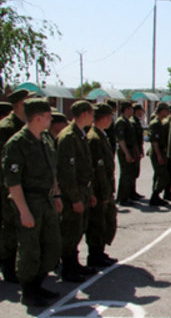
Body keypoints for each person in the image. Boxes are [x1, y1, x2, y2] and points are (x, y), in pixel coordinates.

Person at [2, 98, 63, 307]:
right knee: (30, 249)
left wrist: (56, 195)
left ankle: (38, 284)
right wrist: (23, 211)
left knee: (51, 246)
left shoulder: (45, 139)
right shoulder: (17, 143)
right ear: (38, 117)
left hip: (46, 201)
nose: (50, 119)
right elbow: (13, 182)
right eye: (47, 116)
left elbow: (52, 170)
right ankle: (29, 291)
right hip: (29, 202)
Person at [57, 100, 97, 282]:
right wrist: (74, 199)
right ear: (83, 114)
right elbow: (66, 173)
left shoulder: (80, 134)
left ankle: (75, 265)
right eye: (91, 113)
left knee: (77, 230)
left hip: (83, 190)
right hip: (73, 193)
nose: (93, 116)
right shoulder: (68, 137)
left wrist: (90, 193)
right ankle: (68, 268)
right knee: (70, 231)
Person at [0, 89, 31, 283]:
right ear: (19, 104)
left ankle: (19, 264)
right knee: (9, 227)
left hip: (24, 183)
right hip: (7, 186)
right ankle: (8, 267)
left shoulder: (25, 126)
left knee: (21, 226)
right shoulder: (6, 127)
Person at [86, 103, 118, 267]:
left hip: (104, 188)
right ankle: (95, 255)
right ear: (105, 118)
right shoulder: (94, 138)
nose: (112, 120)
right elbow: (95, 170)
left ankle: (100, 252)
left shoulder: (100, 135)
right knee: (97, 223)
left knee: (105, 221)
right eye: (111, 117)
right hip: (99, 189)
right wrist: (103, 192)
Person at [114, 101, 137, 206]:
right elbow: (121, 139)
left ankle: (127, 196)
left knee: (130, 174)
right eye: (131, 109)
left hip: (130, 149)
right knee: (125, 174)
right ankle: (122, 198)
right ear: (127, 109)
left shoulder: (127, 121)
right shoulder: (121, 122)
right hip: (125, 150)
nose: (132, 111)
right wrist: (127, 153)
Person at [148, 103, 170, 207]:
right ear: (162, 111)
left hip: (161, 151)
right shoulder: (155, 123)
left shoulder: (161, 122)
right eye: (166, 110)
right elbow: (155, 142)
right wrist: (159, 155)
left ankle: (156, 196)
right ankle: (154, 196)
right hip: (157, 152)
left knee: (159, 175)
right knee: (163, 175)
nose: (167, 112)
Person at [129, 104, 145, 200]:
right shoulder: (132, 122)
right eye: (140, 111)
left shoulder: (137, 121)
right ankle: (128, 194)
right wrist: (136, 151)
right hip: (133, 150)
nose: (142, 113)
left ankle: (133, 192)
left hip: (137, 148)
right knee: (130, 173)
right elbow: (133, 139)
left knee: (135, 172)